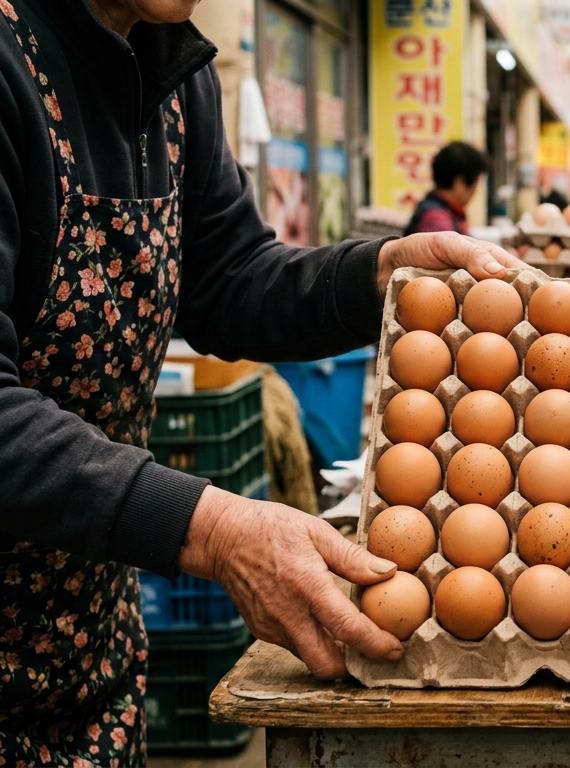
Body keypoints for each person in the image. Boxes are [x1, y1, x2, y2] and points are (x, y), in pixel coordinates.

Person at [0, 1, 526, 760]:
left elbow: (226, 279)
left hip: (83, 636)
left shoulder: (172, 69)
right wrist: (209, 527)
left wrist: (378, 275)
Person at [404, 141, 487, 235]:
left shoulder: (445, 210)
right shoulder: (437, 218)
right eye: (475, 184)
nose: (475, 192)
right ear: (460, 183)